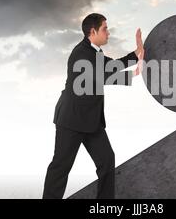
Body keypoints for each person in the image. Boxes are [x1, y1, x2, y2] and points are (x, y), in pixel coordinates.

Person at [42, 13, 144, 199]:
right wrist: (134, 74)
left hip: (92, 121)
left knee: (106, 160)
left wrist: (137, 52)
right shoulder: (80, 53)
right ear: (92, 31)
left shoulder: (96, 52)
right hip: (71, 120)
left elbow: (111, 66)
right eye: (105, 29)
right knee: (61, 167)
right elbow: (100, 77)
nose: (108, 33)